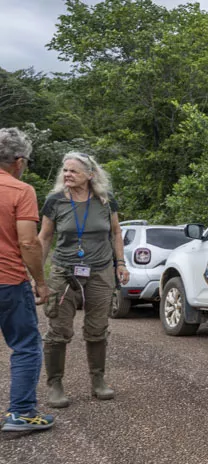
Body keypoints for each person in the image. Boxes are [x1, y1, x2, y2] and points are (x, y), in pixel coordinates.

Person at [37, 152, 130, 408]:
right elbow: (44, 238)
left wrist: (120, 263)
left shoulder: (105, 200)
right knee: (58, 330)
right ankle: (55, 384)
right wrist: (35, 275)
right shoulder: (55, 201)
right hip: (64, 272)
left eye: (73, 171)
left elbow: (115, 232)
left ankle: (98, 381)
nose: (67, 175)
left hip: (100, 272)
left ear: (90, 175)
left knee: (97, 328)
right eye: (65, 170)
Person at [0, 128, 54, 432]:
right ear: (19, 161)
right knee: (26, 346)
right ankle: (21, 413)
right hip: (7, 281)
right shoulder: (21, 191)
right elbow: (29, 243)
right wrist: (41, 282)